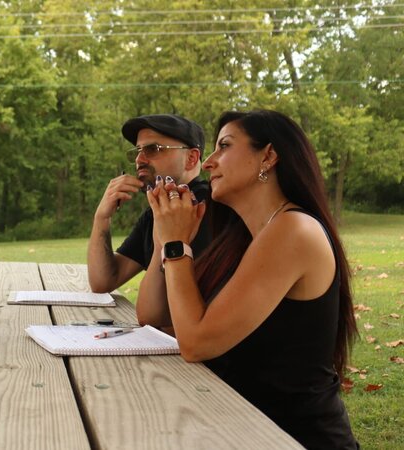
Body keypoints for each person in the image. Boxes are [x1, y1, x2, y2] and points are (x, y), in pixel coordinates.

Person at [146, 110, 358, 448]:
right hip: (242, 430)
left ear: (269, 156)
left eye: (224, 146)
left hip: (294, 439)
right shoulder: (245, 240)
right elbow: (152, 317)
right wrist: (164, 240)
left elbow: (196, 342)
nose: (209, 162)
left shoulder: (294, 231)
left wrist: (176, 245)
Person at [87, 114, 212, 326]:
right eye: (137, 151)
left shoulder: (205, 208)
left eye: (152, 149)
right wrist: (102, 217)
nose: (139, 159)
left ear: (191, 158)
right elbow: (103, 281)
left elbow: (154, 317)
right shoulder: (156, 212)